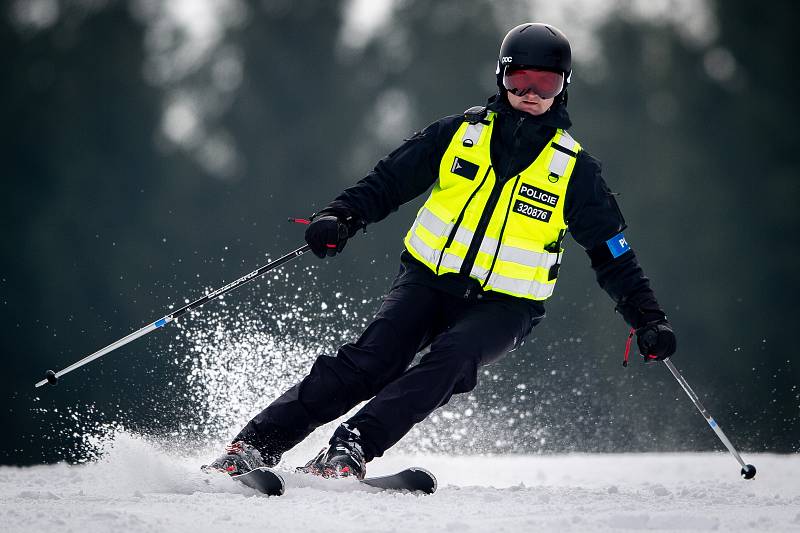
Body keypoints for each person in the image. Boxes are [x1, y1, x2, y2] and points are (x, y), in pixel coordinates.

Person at [206, 22, 676, 480]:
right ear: (502, 76)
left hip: (508, 305)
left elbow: (612, 253)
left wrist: (647, 319)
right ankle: (253, 446)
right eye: (520, 78)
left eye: (546, 82)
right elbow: (389, 181)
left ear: (563, 87)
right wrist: (341, 217)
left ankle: (350, 448)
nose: (531, 92)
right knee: (371, 362)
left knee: (451, 360)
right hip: (428, 279)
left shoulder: (574, 169)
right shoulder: (458, 133)